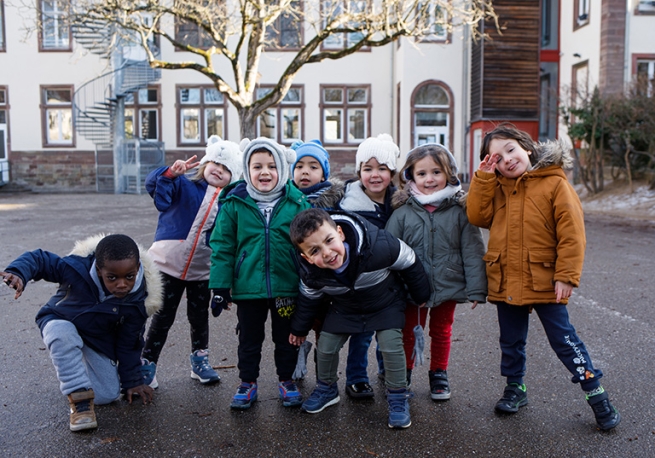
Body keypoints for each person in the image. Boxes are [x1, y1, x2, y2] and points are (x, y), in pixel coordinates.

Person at [466, 123, 620, 431]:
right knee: (511, 340)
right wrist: (483, 178)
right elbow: (477, 216)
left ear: (527, 147)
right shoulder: (495, 188)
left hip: (546, 279)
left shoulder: (554, 184)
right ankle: (515, 387)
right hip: (507, 278)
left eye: (510, 150)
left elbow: (572, 234)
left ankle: (595, 391)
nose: (507, 159)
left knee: (564, 339)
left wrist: (566, 276)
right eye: (497, 157)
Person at [1, 234, 163, 432]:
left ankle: (77, 371)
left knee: (107, 395)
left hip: (96, 339)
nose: (122, 284)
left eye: (129, 276)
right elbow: (40, 259)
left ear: (137, 268)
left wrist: (133, 381)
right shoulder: (77, 269)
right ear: (99, 269)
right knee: (62, 335)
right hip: (61, 321)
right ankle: (79, 400)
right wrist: (19, 272)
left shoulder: (137, 302)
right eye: (112, 277)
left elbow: (129, 343)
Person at [289, 208, 431, 429]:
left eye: (329, 240)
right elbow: (308, 300)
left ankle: (398, 398)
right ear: (305, 257)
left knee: (391, 346)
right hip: (345, 308)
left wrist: (421, 293)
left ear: (340, 232)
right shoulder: (311, 273)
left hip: (385, 304)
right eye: (315, 250)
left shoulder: (378, 246)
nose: (327, 253)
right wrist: (299, 329)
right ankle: (327, 389)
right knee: (326, 346)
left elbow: (409, 260)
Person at [209, 137, 311, 410]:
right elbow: (222, 246)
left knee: (287, 337)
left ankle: (286, 380)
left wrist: (311, 281)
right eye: (257, 166)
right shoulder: (234, 203)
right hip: (248, 286)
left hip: (286, 286)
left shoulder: (296, 202)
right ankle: (247, 382)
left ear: (282, 169)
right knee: (249, 337)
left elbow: (309, 243)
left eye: (271, 166)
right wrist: (219, 287)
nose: (264, 172)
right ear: (246, 169)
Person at [385, 143, 487, 400]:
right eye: (422, 174)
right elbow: (388, 252)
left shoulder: (459, 211)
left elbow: (472, 250)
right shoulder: (402, 214)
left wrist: (476, 288)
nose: (429, 179)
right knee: (408, 332)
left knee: (442, 331)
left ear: (449, 174)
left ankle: (439, 374)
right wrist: (389, 289)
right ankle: (404, 374)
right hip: (411, 288)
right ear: (410, 176)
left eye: (436, 172)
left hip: (448, 283)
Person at [140, 136, 243, 388]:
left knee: (199, 318)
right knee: (162, 317)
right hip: (167, 265)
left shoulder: (230, 203)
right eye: (215, 163)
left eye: (227, 168)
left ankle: (200, 361)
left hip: (202, 271)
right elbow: (158, 194)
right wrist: (169, 174)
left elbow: (233, 244)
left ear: (235, 176)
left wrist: (226, 285)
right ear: (204, 164)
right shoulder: (183, 186)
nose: (219, 170)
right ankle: (147, 363)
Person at [337, 133, 401, 398]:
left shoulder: (399, 203)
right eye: (368, 169)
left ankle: (387, 369)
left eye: (382, 169)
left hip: (392, 277)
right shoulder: (348, 204)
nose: (375, 175)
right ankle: (357, 377)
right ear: (359, 171)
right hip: (362, 278)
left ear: (392, 172)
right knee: (362, 332)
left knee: (388, 329)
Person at [291, 139, 344, 210]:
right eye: (299, 166)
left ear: (323, 176)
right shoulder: (284, 198)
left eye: (313, 167)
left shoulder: (333, 200)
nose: (305, 171)